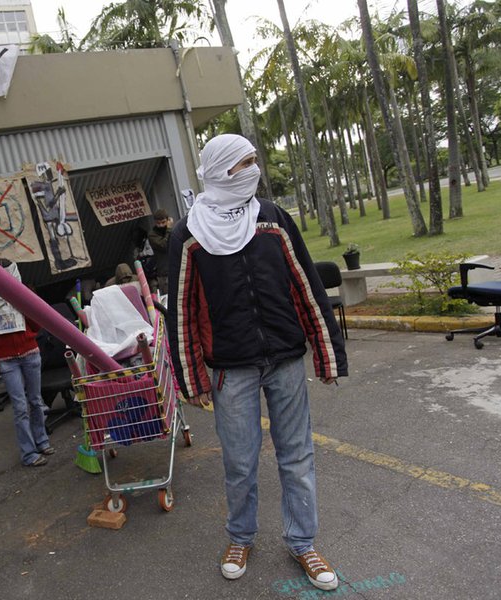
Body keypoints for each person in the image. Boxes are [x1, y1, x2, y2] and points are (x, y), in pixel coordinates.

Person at [165, 134, 348, 591]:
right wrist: (193, 379)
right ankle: (240, 537)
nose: (252, 169)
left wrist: (327, 352)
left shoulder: (272, 218)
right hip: (232, 368)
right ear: (221, 168)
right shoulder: (189, 234)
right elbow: (183, 310)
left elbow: (306, 284)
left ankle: (303, 541)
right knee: (241, 461)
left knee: (297, 456)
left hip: (285, 359)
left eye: (253, 161)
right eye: (242, 163)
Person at [0, 259, 55, 467]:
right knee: (20, 407)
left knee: (36, 401)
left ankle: (42, 442)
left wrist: (24, 303)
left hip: (30, 354)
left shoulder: (23, 294)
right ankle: (29, 454)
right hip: (7, 361)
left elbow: (37, 325)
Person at [147, 208, 172, 294]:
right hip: (164, 274)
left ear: (168, 220)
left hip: (176, 268)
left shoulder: (172, 230)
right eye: (158, 223)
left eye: (163, 222)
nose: (161, 225)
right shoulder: (152, 235)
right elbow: (164, 245)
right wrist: (168, 230)